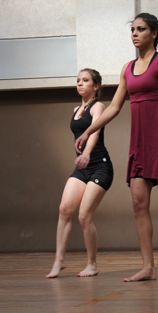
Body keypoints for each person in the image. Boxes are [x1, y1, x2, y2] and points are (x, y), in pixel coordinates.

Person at [75, 13, 158, 281]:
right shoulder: (126, 68)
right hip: (140, 140)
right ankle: (148, 267)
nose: (135, 33)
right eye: (132, 29)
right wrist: (89, 130)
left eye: (141, 29)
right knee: (138, 202)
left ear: (154, 33)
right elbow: (114, 107)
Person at [46, 69, 113, 278]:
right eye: (78, 81)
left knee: (84, 216)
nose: (80, 84)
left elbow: (96, 130)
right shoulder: (76, 109)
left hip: (100, 166)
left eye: (85, 81)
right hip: (82, 169)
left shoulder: (98, 106)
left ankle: (92, 264)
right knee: (65, 209)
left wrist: (86, 153)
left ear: (96, 86)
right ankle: (59, 261)